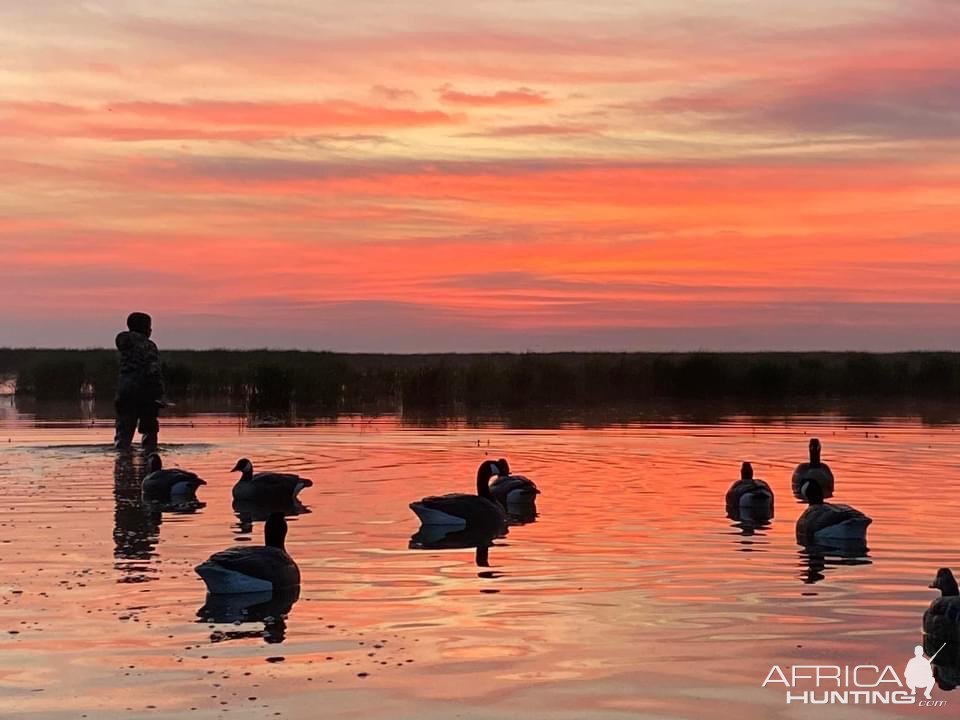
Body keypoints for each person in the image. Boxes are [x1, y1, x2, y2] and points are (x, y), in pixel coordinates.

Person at [114, 312, 165, 450]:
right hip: (145, 392)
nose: (151, 330)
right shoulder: (149, 346)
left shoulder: (123, 341)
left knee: (124, 430)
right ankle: (149, 458)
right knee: (149, 429)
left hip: (125, 390)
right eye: (149, 327)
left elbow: (123, 340)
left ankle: (122, 458)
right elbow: (154, 371)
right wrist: (160, 394)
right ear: (145, 329)